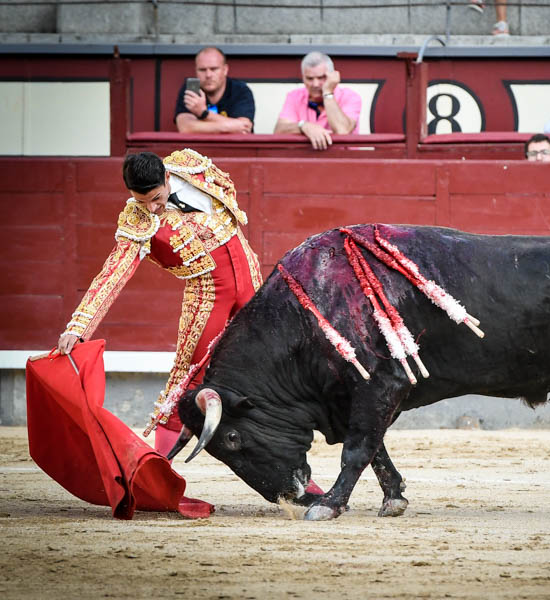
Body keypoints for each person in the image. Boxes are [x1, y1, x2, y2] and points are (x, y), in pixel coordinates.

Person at [57, 149, 264, 457]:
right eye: (141, 202)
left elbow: (228, 199)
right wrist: (79, 326)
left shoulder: (191, 167)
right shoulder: (137, 220)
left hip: (249, 273)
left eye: (155, 198)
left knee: (271, 363)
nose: (151, 209)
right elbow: (113, 273)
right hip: (208, 293)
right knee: (187, 376)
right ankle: (161, 472)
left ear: (167, 177)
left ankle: (288, 462)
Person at [274, 51, 362, 151]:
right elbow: (279, 130)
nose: (315, 84)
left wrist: (328, 93)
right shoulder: (294, 96)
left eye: (321, 78)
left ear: (332, 77)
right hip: (304, 163)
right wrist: (303, 126)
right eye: (310, 78)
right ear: (303, 78)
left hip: (343, 162)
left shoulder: (350, 96)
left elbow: (342, 131)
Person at [174, 46, 255, 134]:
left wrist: (203, 113)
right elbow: (186, 128)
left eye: (214, 69)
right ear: (196, 71)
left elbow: (245, 129)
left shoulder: (240, 90)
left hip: (234, 147)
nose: (208, 75)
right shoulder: (191, 90)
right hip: (201, 147)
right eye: (202, 70)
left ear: (225, 70)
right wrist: (232, 126)